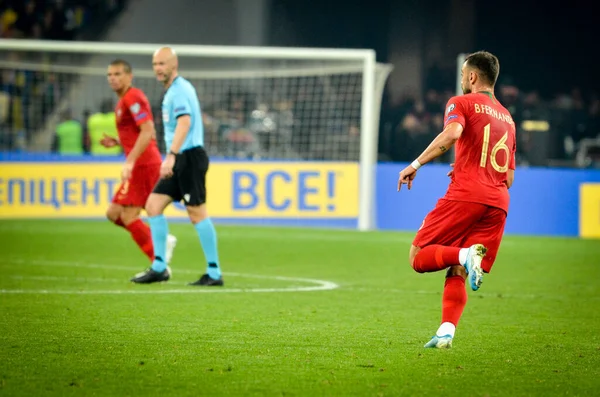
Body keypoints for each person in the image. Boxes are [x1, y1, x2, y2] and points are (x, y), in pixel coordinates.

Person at [397, 51, 516, 349]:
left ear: (472, 76)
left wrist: (416, 164)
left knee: (418, 256)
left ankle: (464, 254)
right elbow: (509, 177)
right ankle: (446, 332)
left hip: (467, 195)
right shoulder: (508, 118)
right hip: (498, 202)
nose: (463, 79)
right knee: (458, 271)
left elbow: (452, 134)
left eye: (464, 74)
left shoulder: (460, 102)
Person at [130, 47, 223, 286]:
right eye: (155, 64)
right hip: (180, 157)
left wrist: (171, 155)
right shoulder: (174, 90)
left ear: (174, 64)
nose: (158, 69)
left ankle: (214, 273)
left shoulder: (179, 91)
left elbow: (185, 121)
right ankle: (159, 266)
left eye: (162, 63)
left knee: (197, 213)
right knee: (153, 205)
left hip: (189, 157)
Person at [101, 59, 177, 268]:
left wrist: (130, 161)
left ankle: (158, 260)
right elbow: (138, 133)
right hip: (141, 163)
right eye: (110, 75)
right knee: (113, 214)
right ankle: (161, 245)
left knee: (127, 215)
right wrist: (118, 142)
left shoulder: (133, 97)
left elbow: (148, 130)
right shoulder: (123, 101)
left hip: (144, 164)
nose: (113, 78)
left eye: (117, 74)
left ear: (129, 76)